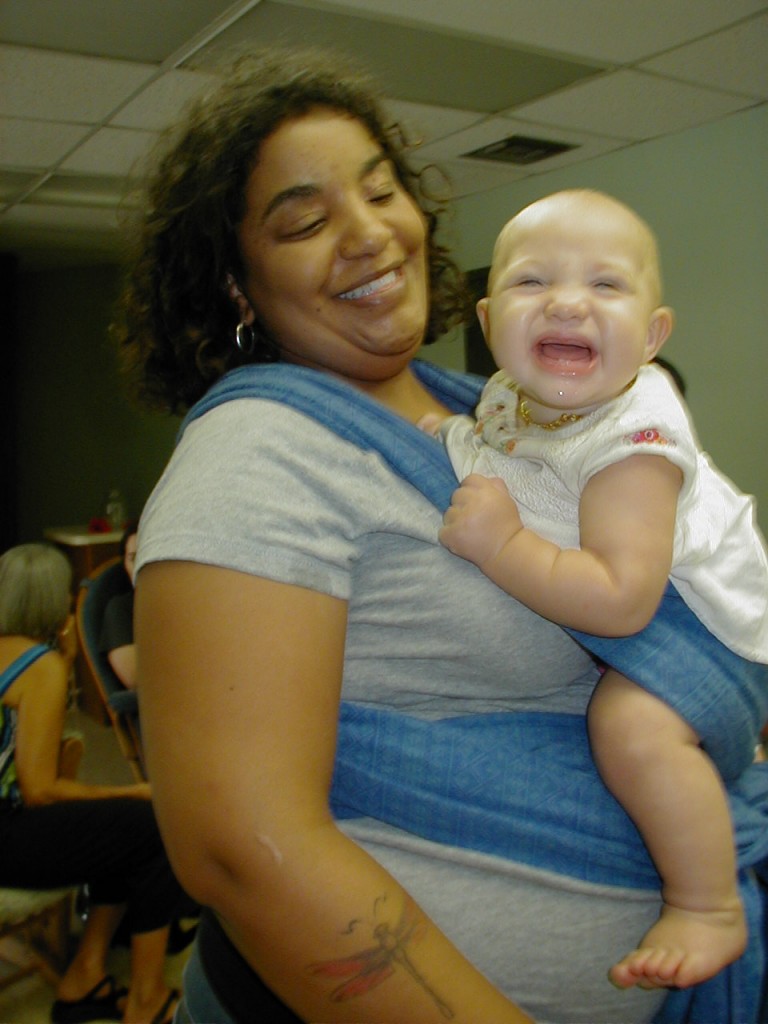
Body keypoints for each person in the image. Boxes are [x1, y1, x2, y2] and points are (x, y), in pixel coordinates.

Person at [113, 49, 768, 1023]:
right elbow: (241, 849)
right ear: (237, 284)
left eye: (381, 190)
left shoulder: (501, 412)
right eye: (304, 219)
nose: (369, 233)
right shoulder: (257, 453)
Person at [421, 189, 768, 990]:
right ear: (487, 321)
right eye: (532, 282)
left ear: (652, 337)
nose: (568, 301)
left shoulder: (633, 442)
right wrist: (452, 437)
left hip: (711, 629)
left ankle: (708, 905)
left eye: (606, 285)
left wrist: (504, 546)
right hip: (651, 599)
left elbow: (620, 599)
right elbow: (500, 442)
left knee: (629, 725)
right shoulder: (508, 394)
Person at [0, 543, 184, 1024]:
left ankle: (85, 972)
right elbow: (40, 790)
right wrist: (128, 791)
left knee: (118, 829)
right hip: (6, 835)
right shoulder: (38, 666)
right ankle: (146, 998)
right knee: (153, 823)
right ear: (53, 602)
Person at [100, 521, 140, 690]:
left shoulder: (186, 600)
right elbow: (134, 678)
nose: (140, 565)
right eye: (133, 558)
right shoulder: (120, 608)